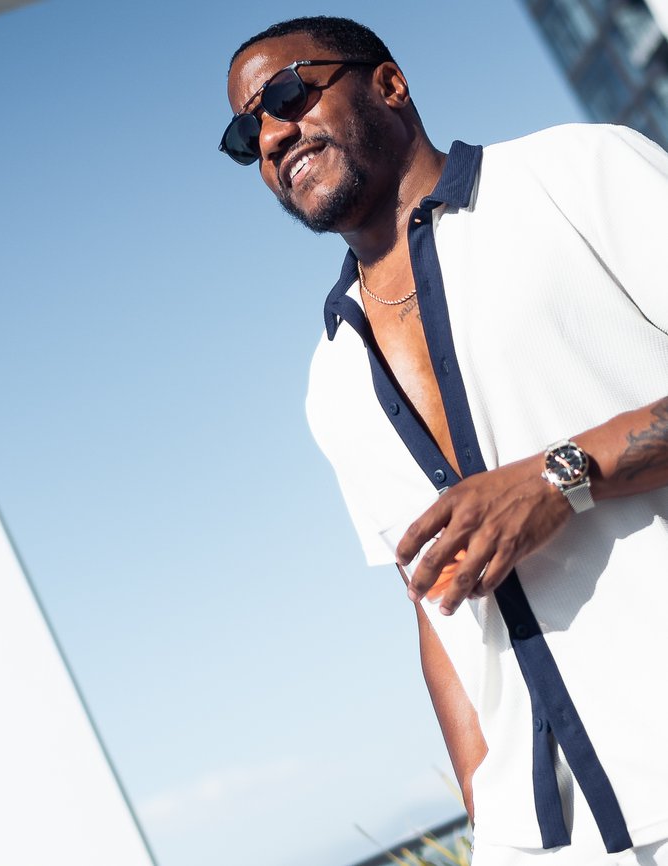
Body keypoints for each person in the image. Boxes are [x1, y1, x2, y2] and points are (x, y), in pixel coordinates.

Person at [220, 15, 668, 866]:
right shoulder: (331, 376)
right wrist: (486, 811)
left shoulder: (578, 174)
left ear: (388, 84)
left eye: (289, 93)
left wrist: (558, 476)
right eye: (248, 132)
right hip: (544, 840)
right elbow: (431, 605)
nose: (274, 133)